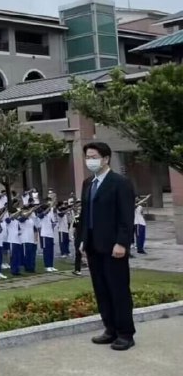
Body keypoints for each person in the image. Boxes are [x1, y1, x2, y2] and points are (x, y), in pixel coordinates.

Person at [77, 142, 136, 351]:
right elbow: (85, 215)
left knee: (118, 290)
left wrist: (122, 242)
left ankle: (125, 333)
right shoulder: (87, 184)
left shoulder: (120, 183)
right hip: (93, 245)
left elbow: (126, 216)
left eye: (94, 156)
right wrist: (82, 241)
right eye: (87, 157)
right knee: (101, 290)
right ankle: (110, 329)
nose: (90, 161)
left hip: (113, 247)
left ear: (106, 159)